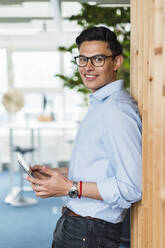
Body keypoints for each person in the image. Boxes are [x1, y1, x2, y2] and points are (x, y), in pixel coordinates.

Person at [27, 26, 142, 248]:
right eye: (83, 59)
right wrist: (57, 176)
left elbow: (131, 187)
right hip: (78, 227)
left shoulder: (117, 111)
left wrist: (69, 187)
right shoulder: (101, 104)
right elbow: (102, 169)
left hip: (90, 233)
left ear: (116, 62)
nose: (88, 67)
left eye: (98, 59)